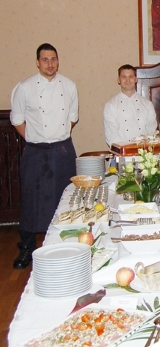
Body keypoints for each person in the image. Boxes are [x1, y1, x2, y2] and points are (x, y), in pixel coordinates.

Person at [10, 43, 79, 269]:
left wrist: (57, 138)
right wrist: (35, 138)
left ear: (58, 61)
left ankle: (66, 245)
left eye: (53, 59)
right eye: (45, 60)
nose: (50, 64)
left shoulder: (69, 85)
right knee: (31, 200)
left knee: (65, 198)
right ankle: (27, 247)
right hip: (36, 153)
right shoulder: (25, 87)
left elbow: (72, 117)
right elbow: (17, 119)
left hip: (63, 150)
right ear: (37, 62)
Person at [103, 64, 157, 146]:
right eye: (124, 77)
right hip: (121, 153)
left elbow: (151, 130)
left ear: (136, 79)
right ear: (118, 80)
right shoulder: (110, 105)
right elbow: (111, 135)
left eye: (131, 77)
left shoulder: (147, 104)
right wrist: (126, 150)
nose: (127, 80)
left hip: (144, 153)